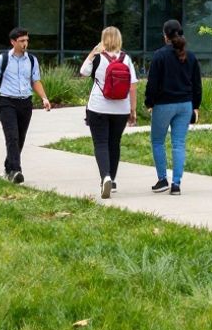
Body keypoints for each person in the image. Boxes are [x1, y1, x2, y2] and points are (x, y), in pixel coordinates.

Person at [0, 27, 52, 184]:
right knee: (12, 137)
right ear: (13, 42)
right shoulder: (2, 60)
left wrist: (44, 98)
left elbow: (35, 81)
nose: (25, 44)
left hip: (25, 102)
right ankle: (16, 171)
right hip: (7, 102)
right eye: (21, 41)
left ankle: (8, 166)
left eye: (26, 40)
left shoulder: (32, 60)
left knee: (20, 138)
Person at [80, 26, 139, 199]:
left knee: (100, 143)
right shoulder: (125, 58)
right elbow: (133, 86)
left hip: (98, 106)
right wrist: (132, 110)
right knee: (114, 142)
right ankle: (112, 180)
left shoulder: (97, 58)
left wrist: (93, 52)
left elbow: (83, 72)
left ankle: (104, 176)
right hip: (121, 108)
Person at [144, 19, 201, 196]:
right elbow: (197, 84)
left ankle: (162, 180)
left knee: (158, 141)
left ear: (165, 36)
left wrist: (149, 103)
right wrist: (196, 106)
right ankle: (176, 184)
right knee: (178, 144)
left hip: (164, 104)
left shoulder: (159, 56)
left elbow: (152, 83)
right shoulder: (190, 56)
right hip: (185, 105)